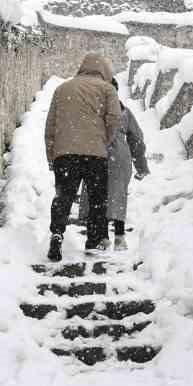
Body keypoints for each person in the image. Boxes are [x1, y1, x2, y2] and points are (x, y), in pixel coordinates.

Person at [44, 53, 122, 261]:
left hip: (65, 154)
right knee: (97, 198)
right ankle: (93, 239)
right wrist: (103, 139)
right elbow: (114, 118)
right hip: (95, 154)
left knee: (64, 196)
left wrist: (51, 154)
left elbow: (50, 124)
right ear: (104, 71)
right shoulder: (107, 89)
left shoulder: (62, 89)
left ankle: (57, 233)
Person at [79, 75, 150, 250]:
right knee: (118, 196)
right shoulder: (124, 111)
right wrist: (141, 165)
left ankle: (103, 237)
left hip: (96, 154)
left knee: (97, 196)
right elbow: (137, 139)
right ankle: (119, 236)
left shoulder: (91, 110)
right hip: (119, 157)